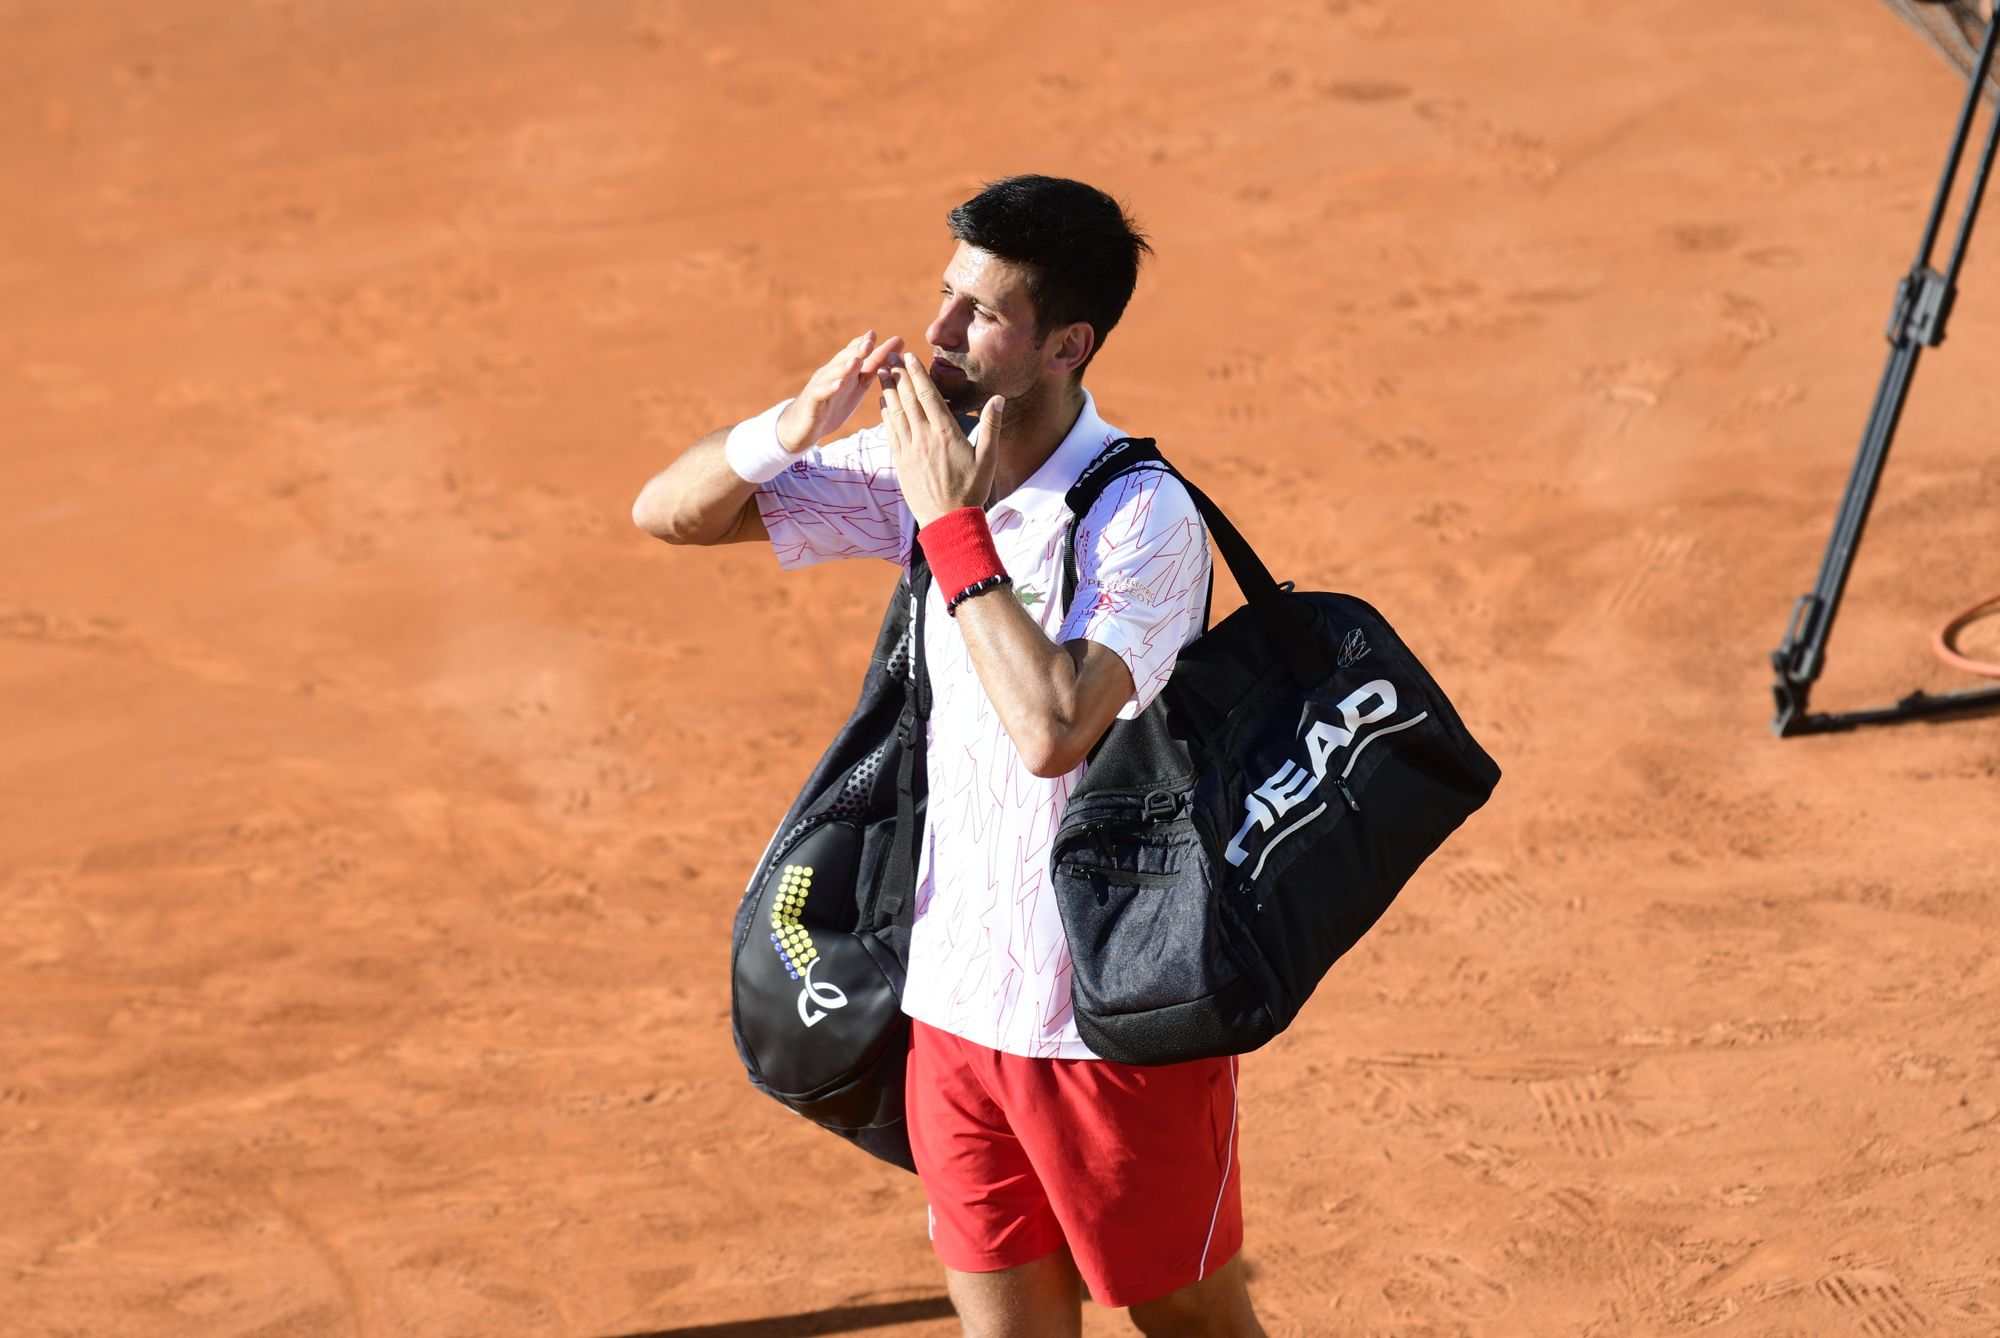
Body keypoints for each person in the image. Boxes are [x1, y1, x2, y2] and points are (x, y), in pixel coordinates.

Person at [632, 175, 1266, 1338]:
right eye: (943, 294)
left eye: (981, 312)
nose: (937, 332)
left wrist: (947, 525)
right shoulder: (937, 473)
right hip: (952, 1014)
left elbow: (1052, 727)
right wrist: (795, 426)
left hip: (1107, 1024)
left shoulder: (1138, 515)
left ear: (1066, 345)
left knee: (1193, 1325)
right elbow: (669, 513)